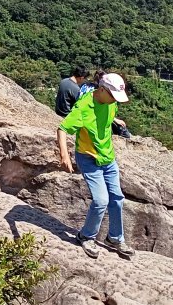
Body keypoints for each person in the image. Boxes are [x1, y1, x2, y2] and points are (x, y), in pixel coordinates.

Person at [56, 72, 135, 260]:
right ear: (102, 89)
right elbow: (62, 129)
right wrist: (64, 155)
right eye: (113, 96)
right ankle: (86, 236)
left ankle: (115, 238)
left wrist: (115, 120)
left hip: (108, 157)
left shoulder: (110, 102)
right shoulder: (84, 107)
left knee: (117, 198)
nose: (115, 101)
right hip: (89, 158)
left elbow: (107, 115)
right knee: (101, 200)